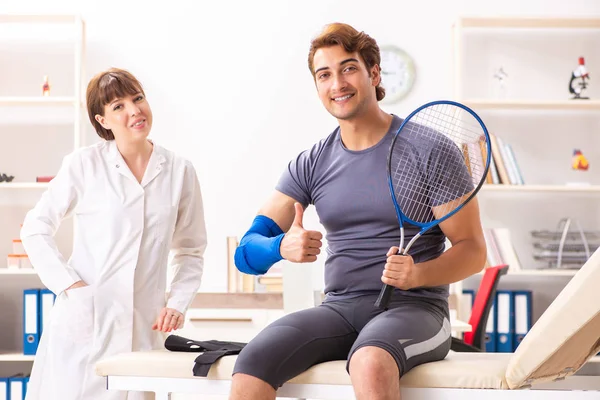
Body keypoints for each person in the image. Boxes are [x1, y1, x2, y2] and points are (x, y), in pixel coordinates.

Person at [230, 23, 486, 400]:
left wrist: (417, 275)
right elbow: (245, 253)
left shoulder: (429, 149)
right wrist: (280, 247)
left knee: (369, 361)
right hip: (339, 309)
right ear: (317, 86)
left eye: (348, 68)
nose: (337, 83)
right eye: (324, 74)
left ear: (374, 73)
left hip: (417, 310)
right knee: (252, 363)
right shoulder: (311, 162)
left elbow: (473, 249)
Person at [21, 68, 207, 400]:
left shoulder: (180, 171)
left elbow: (191, 251)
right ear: (102, 120)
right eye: (118, 106)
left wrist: (178, 303)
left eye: (138, 99)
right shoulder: (83, 164)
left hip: (144, 330)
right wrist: (71, 287)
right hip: (85, 322)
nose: (134, 111)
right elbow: (35, 228)